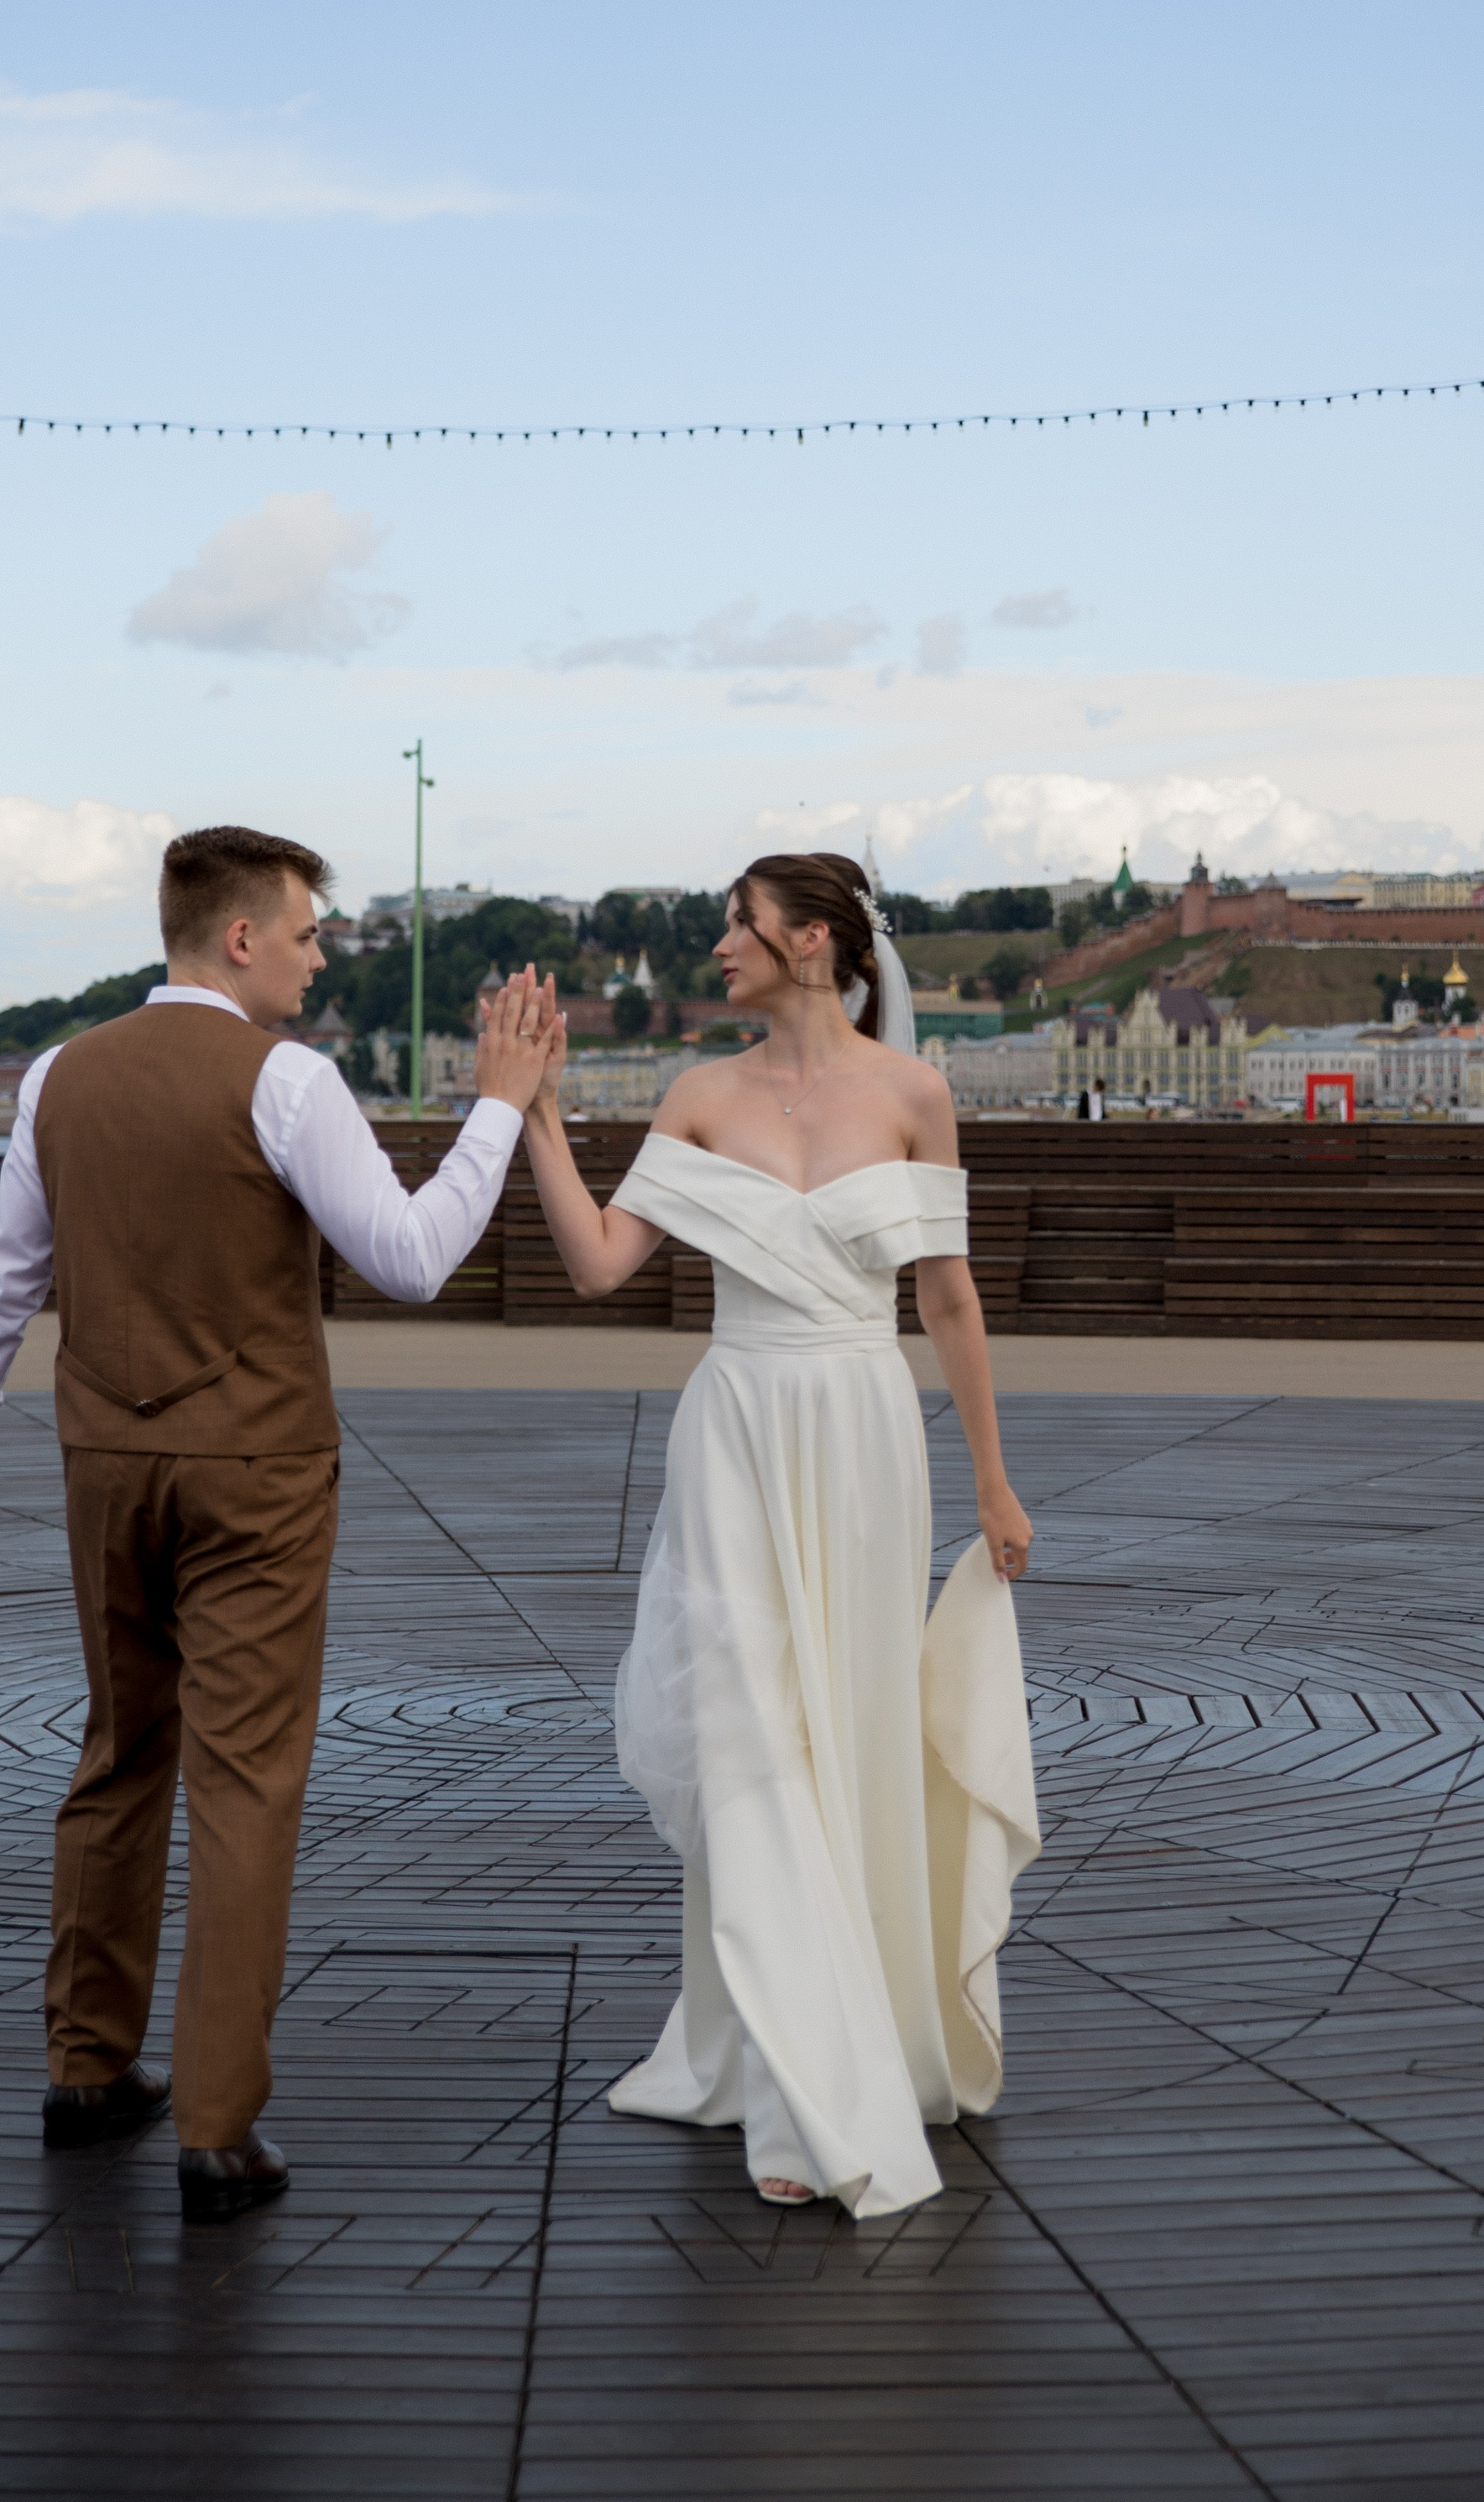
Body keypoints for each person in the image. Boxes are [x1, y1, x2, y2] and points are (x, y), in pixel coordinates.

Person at [0, 825, 556, 2223]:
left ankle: (87, 2067)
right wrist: (499, 1109)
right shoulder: (288, 1080)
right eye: (310, 934)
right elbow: (410, 1260)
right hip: (256, 1473)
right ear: (241, 937)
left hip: (105, 1462)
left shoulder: (57, 1074)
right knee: (247, 1782)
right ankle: (216, 2128)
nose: (321, 959)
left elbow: (2, 1280)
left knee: (117, 1752)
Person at [520, 850, 1039, 2217]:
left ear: (813, 942)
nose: (719, 948)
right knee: (751, 1724)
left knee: (847, 1725)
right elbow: (599, 1264)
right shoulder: (699, 1095)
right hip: (737, 1431)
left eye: (738, 925)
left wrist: (992, 1482)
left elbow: (950, 1301)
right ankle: (787, 2069)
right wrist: (538, 1117)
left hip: (864, 1432)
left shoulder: (915, 1095)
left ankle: (852, 2029)